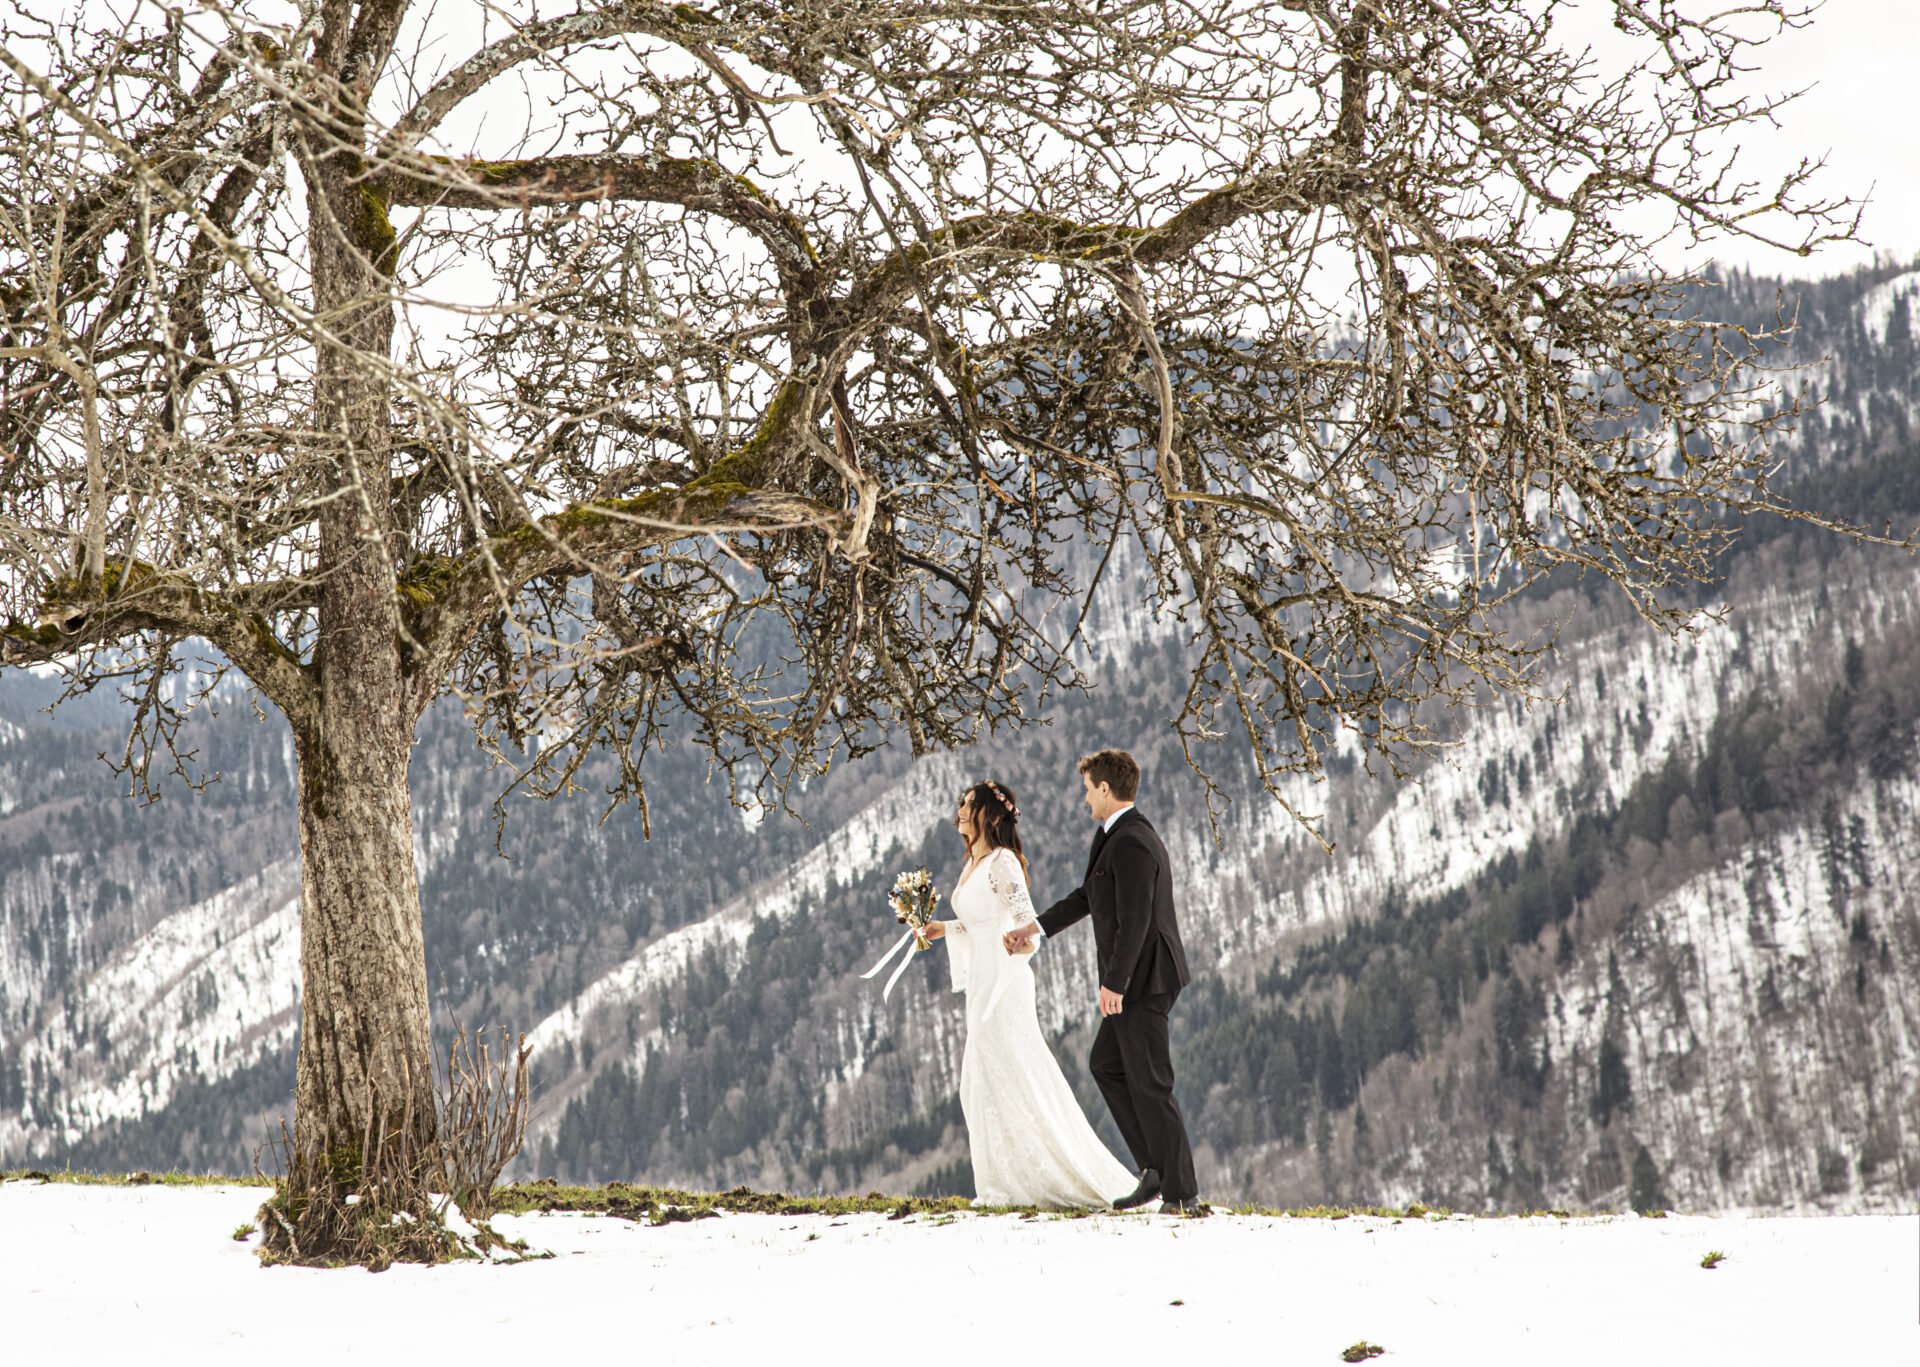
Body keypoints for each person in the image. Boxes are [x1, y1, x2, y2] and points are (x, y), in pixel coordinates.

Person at [1003, 748, 1201, 1215]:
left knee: (1152, 1082)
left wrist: (1115, 983)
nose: (1085, 798)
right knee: (1106, 1065)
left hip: (1144, 980)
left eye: (1088, 789)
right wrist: (1035, 927)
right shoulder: (1113, 835)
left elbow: (1135, 922)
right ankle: (1154, 1170)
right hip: (1137, 978)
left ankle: (1182, 1192)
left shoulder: (1131, 841)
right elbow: (1088, 896)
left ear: (1106, 790)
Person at [922, 780, 1137, 1209]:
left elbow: (1027, 924)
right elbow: (983, 923)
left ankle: (1045, 1174)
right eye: (961, 805)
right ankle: (1000, 1181)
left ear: (992, 815)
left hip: (1004, 982)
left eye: (970, 806)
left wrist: (1022, 943)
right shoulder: (973, 863)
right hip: (982, 980)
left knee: (1013, 1070)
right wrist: (945, 929)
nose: (961, 812)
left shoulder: (1003, 863)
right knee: (979, 1079)